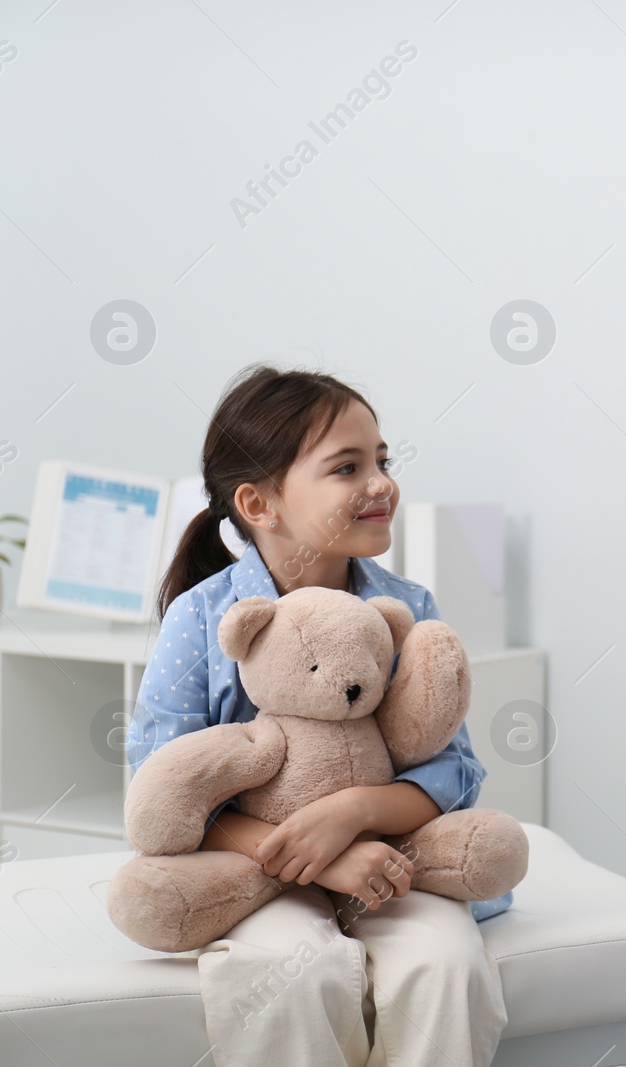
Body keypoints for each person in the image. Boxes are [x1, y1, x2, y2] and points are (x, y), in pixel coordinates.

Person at [126, 364, 510, 1067]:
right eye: (346, 467)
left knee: (447, 964)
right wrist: (314, 857)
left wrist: (357, 810)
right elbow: (159, 787)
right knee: (293, 973)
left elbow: (454, 768)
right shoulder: (202, 618)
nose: (381, 483)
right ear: (259, 503)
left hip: (388, 862)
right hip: (256, 869)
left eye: (382, 461)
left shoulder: (407, 608)